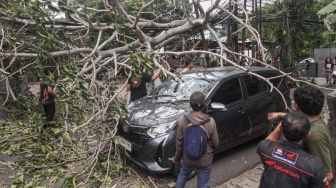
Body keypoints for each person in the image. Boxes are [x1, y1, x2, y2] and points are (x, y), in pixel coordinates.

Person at [268, 85, 335, 187]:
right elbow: (299, 120)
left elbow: (327, 175)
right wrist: (282, 115)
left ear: (296, 106)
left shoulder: (314, 136)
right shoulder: (314, 122)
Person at [258, 111, 326, 188]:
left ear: (281, 128)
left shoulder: (266, 149)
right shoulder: (314, 166)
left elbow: (266, 142)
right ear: (308, 135)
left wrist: (281, 125)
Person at [171, 91, 219, 188]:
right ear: (204, 104)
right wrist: (209, 152)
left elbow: (179, 143)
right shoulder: (210, 121)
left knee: (183, 174)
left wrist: (177, 158)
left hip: (188, 158)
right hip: (205, 160)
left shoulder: (182, 120)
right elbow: (216, 143)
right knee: (203, 184)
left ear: (190, 104)